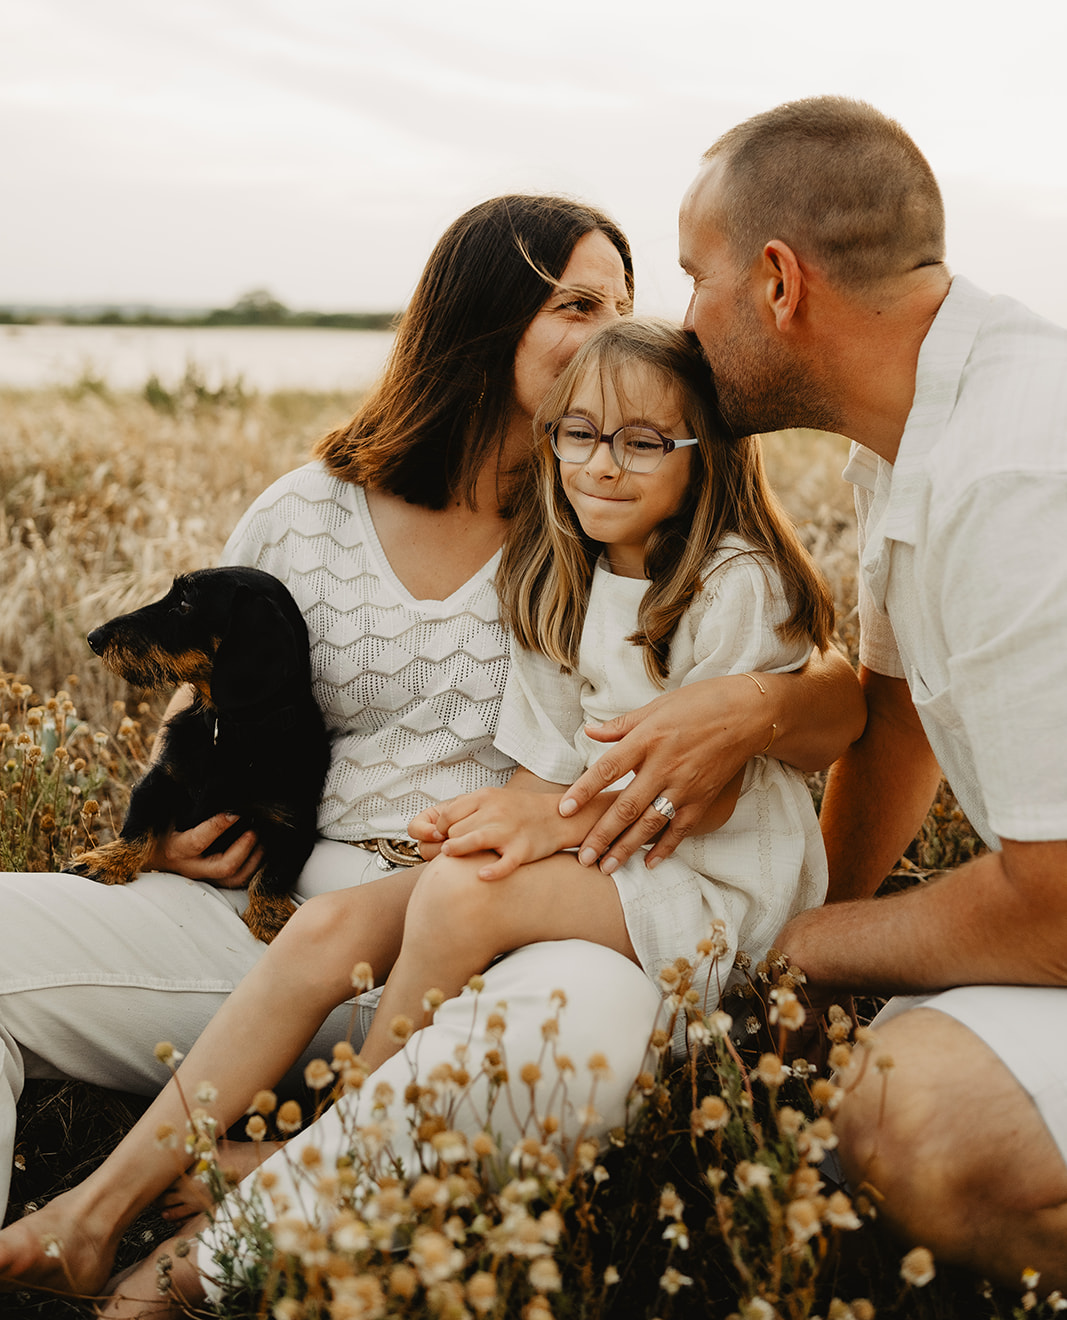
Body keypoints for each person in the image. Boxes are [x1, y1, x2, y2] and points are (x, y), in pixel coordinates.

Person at [0, 194, 863, 1304]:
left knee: (579, 1033)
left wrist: (749, 709)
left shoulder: (614, 529)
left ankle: (209, 1264)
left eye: (625, 304)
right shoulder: (309, 511)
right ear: (483, 318)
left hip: (524, 941)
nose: (615, 329)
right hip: (275, 932)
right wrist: (164, 821)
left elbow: (829, 691)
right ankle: (85, 1217)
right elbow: (214, 699)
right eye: (577, 303)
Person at [588, 94, 1062, 1291]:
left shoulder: (1011, 476)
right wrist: (807, 976)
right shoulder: (909, 430)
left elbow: (1056, 914)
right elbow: (897, 712)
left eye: (695, 276)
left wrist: (801, 943)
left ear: (777, 284)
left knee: (921, 1124)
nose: (677, 321)